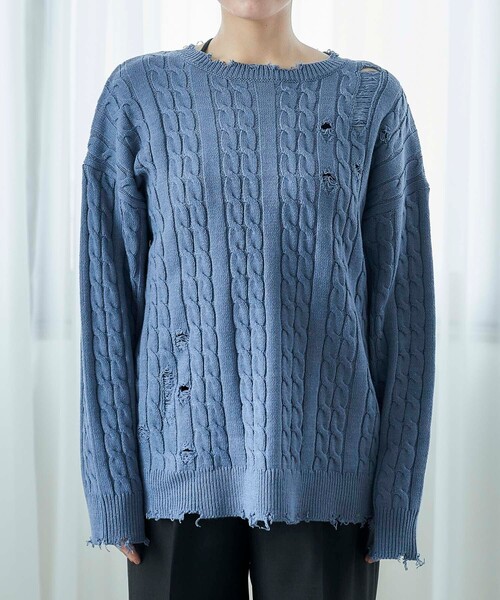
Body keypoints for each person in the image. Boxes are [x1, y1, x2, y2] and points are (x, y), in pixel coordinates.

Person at [79, 1, 435, 598]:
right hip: (177, 475)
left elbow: (403, 312)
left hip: (329, 478)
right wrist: (113, 485)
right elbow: (108, 301)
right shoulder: (139, 94)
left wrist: (397, 494)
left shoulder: (371, 100)